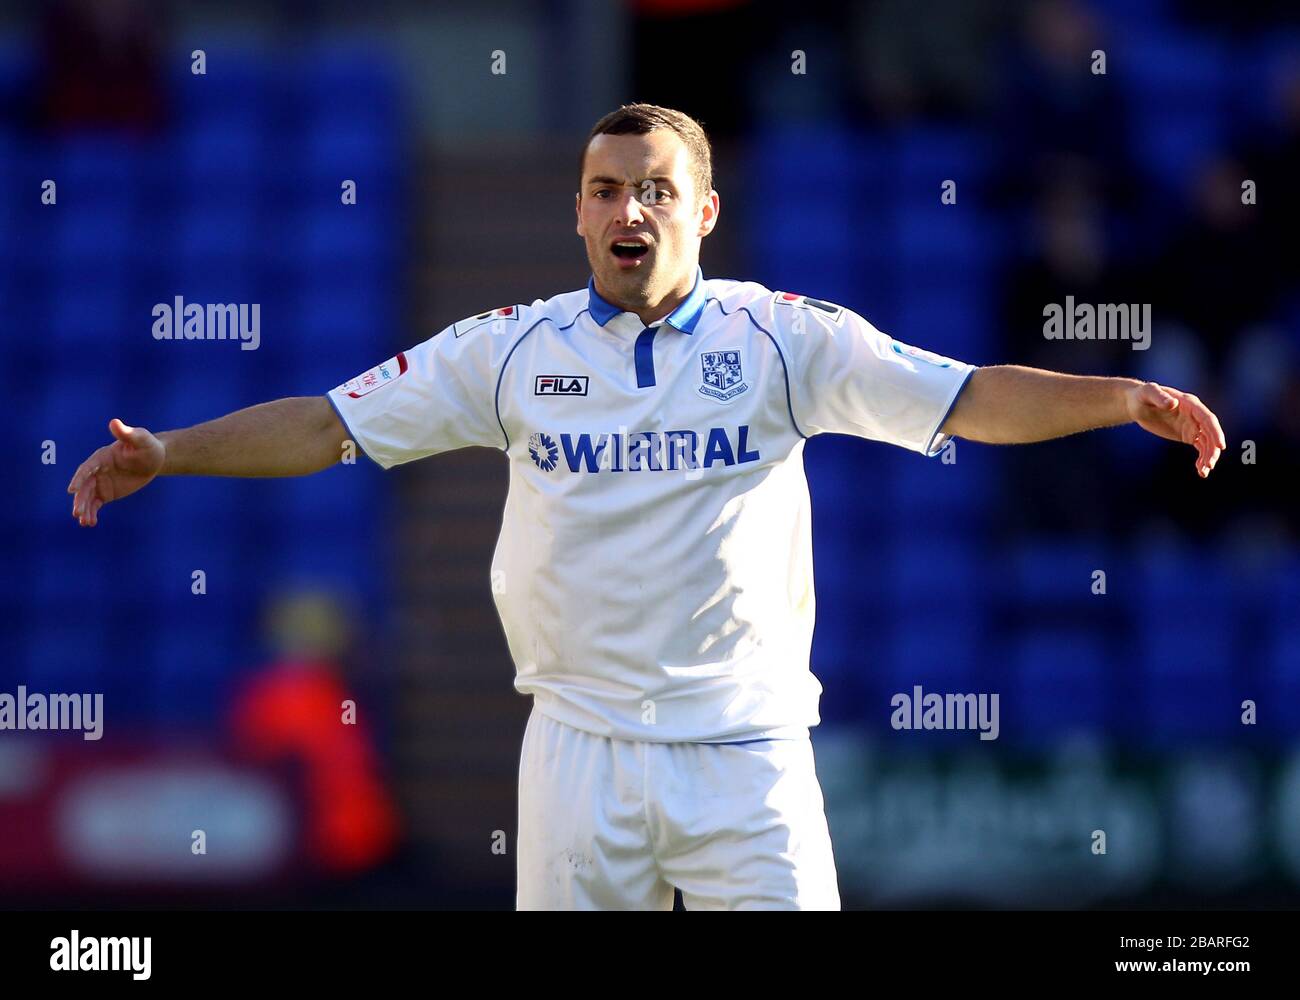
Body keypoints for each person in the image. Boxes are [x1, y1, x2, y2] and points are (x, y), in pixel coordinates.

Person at [66, 103, 1225, 910]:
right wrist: (168, 451)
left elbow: (967, 397)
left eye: (656, 191)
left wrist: (1120, 395)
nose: (631, 211)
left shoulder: (785, 336)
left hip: (747, 748)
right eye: (607, 190)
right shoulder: (509, 350)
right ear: (578, 212)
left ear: (704, 213)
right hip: (578, 746)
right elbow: (328, 423)